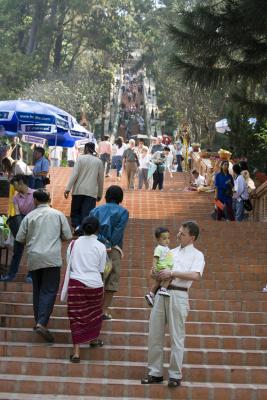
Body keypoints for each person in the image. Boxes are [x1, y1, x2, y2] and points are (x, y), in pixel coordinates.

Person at [141, 221, 205, 388]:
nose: (178, 235)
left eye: (183, 234)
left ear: (193, 237)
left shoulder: (197, 255)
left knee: (177, 337)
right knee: (155, 334)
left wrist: (173, 272)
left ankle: (175, 375)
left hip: (179, 294)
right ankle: (155, 373)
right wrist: (155, 272)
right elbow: (158, 269)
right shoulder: (170, 251)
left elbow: (196, 275)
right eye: (178, 232)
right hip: (162, 294)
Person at [16, 189, 72, 342]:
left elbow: (20, 238)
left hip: (34, 258)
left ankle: (39, 321)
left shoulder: (29, 216)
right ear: (49, 199)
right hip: (51, 259)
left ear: (34, 201)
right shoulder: (58, 215)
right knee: (49, 290)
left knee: (38, 291)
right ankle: (41, 322)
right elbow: (67, 236)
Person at [66, 216, 107, 362]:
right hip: (95, 285)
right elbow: (101, 270)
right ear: (97, 229)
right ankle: (93, 340)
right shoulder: (101, 246)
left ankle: (76, 352)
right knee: (94, 315)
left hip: (76, 284)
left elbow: (69, 264)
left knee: (76, 317)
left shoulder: (72, 244)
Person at [90, 186, 129, 320]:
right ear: (120, 198)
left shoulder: (95, 210)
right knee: (111, 279)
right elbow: (119, 231)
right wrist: (110, 243)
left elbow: (90, 229)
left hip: (95, 248)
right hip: (113, 250)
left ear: (106, 196)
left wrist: (101, 241)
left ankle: (92, 309)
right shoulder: (123, 212)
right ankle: (103, 311)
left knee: (96, 277)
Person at [0, 174, 35, 283]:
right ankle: (11, 275)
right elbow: (17, 212)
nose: (14, 188)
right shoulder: (16, 197)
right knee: (17, 251)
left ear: (21, 182)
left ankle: (31, 276)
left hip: (34, 222)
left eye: (14, 185)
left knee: (32, 251)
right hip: (22, 222)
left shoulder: (34, 194)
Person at [64, 142, 104, 232]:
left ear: (86, 149)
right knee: (87, 212)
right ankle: (83, 229)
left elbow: (74, 174)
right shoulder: (98, 161)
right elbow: (101, 180)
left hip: (78, 190)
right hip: (91, 192)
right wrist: (100, 194)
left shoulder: (80, 159)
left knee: (75, 211)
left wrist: (68, 189)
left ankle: (77, 227)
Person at [145, 227, 173, 307]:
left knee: (157, 282)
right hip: (162, 267)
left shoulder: (166, 248)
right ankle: (163, 289)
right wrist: (154, 267)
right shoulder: (159, 248)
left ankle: (151, 294)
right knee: (169, 276)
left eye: (168, 238)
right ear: (158, 239)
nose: (167, 240)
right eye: (164, 238)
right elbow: (155, 258)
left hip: (163, 267)